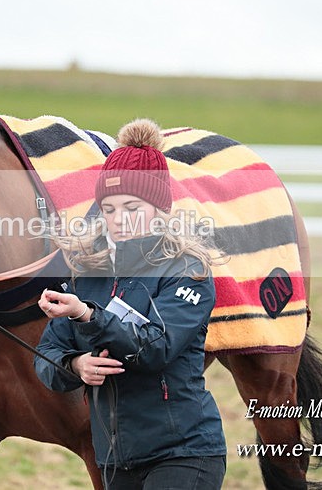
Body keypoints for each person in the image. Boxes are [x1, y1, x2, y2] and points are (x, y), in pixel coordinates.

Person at [34, 119, 226, 489]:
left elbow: (156, 347)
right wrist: (75, 364)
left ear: (158, 207)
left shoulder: (188, 270)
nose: (118, 219)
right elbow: (45, 355)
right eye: (108, 208)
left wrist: (87, 314)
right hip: (114, 459)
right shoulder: (88, 273)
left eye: (131, 207)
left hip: (185, 454)